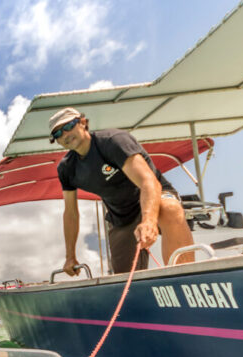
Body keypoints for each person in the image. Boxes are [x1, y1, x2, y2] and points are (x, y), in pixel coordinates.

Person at [49, 107, 194, 275]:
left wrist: (148, 221)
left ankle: (184, 278)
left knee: (170, 208)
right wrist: (70, 256)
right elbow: (71, 213)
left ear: (82, 122)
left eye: (68, 126)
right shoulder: (67, 168)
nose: (65, 135)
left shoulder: (113, 141)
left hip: (154, 195)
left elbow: (148, 182)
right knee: (125, 278)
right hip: (121, 217)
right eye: (58, 133)